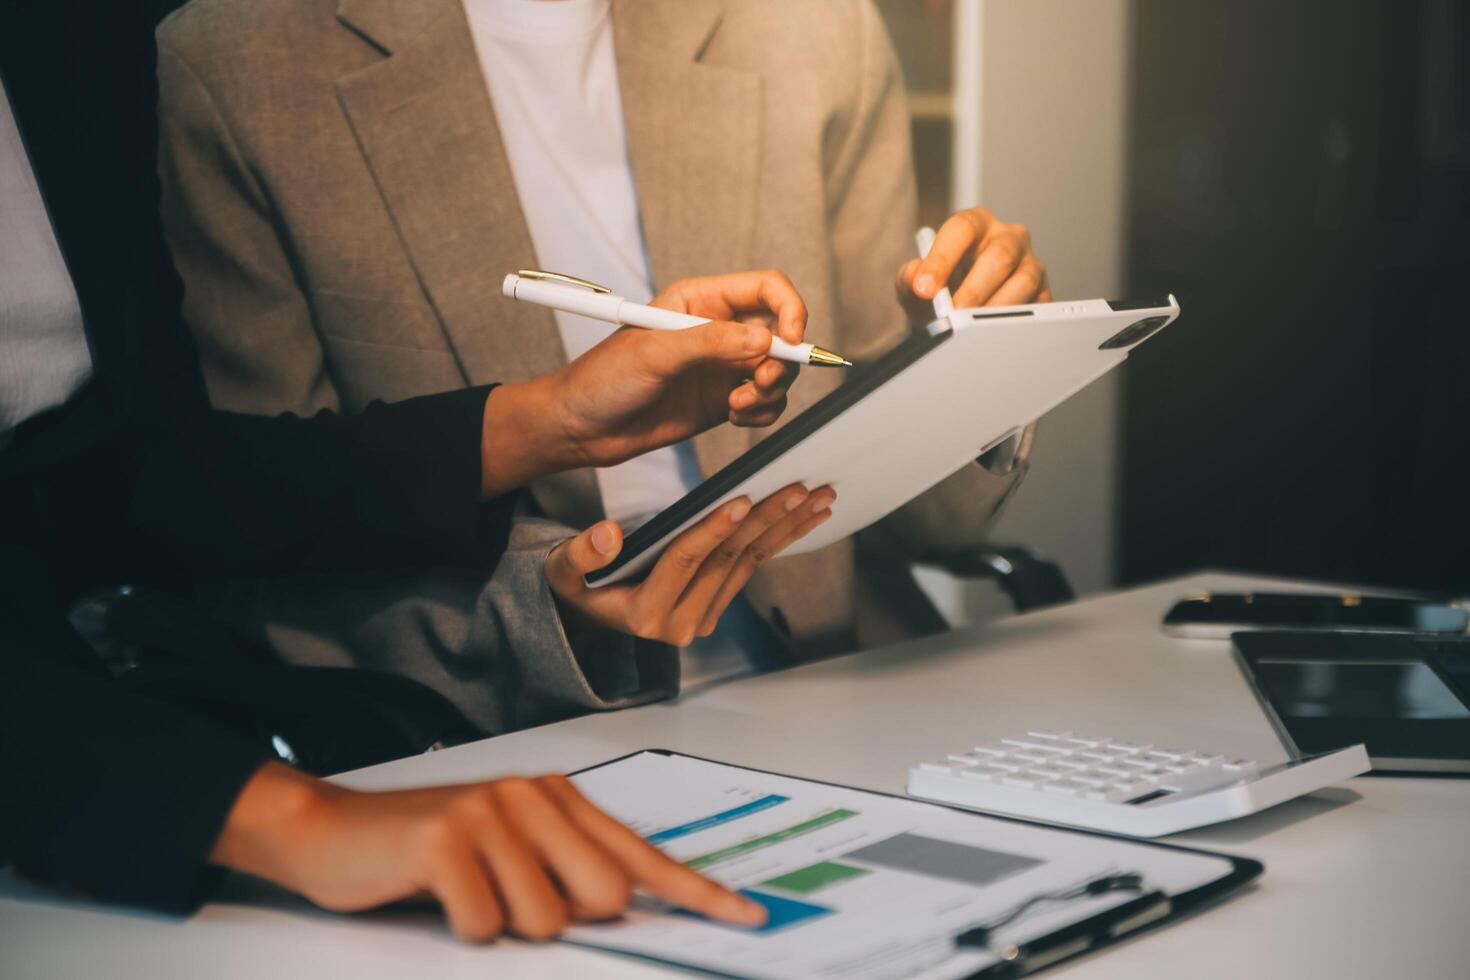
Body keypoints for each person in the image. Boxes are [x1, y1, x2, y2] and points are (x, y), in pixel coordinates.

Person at [0, 0, 845, 938]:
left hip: (807, 707)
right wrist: (281, 815)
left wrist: (556, 418)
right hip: (146, 787)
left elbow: (155, 479)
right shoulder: (225, 55)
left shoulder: (71, 37)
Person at [154, 0, 1054, 719]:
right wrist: (545, 613)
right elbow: (262, 543)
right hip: (489, 738)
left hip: (835, 687)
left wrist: (974, 365)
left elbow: (927, 525)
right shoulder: (235, 65)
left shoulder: (817, 27)